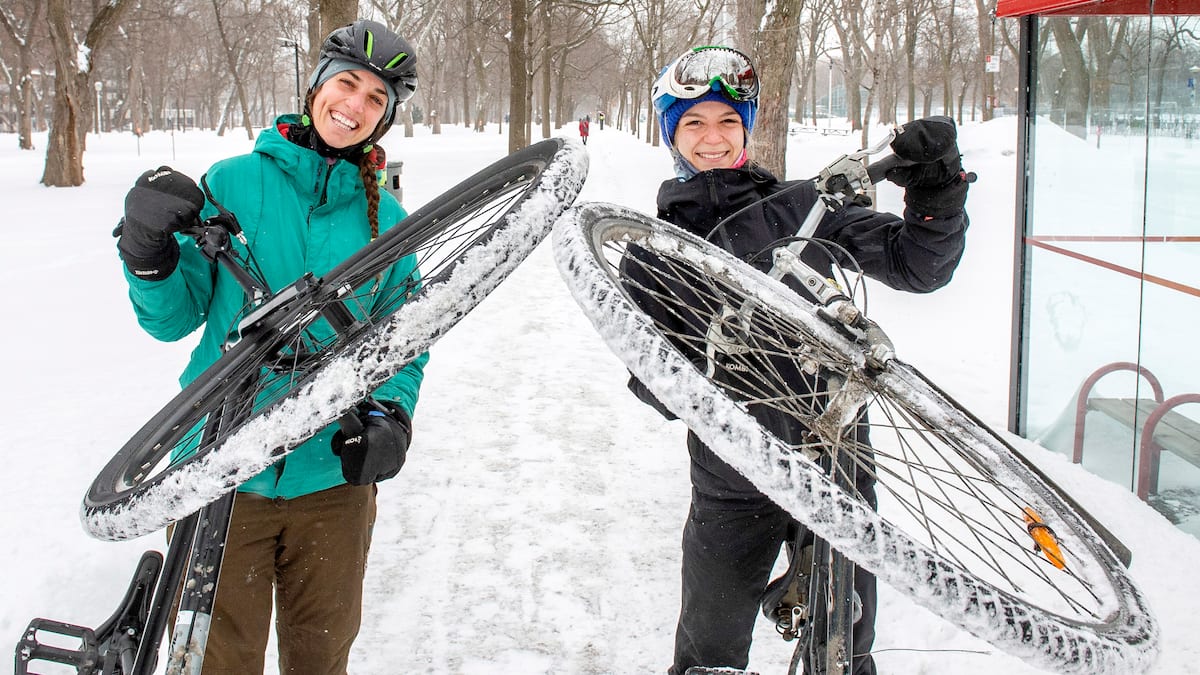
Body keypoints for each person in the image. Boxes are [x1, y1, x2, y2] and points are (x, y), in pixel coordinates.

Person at [630, 46, 971, 675]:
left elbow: (917, 266)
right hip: (732, 476)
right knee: (709, 653)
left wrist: (938, 188)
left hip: (838, 461)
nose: (712, 137)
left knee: (844, 653)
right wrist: (706, 333)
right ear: (671, 133)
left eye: (728, 121)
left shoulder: (803, 207)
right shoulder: (652, 249)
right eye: (693, 123)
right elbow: (652, 387)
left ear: (748, 127)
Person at [114, 19, 424, 674]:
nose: (356, 106)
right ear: (315, 85)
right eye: (347, 84)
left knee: (320, 654)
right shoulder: (232, 183)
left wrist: (393, 411)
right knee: (217, 661)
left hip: (330, 477)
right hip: (219, 463)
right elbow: (173, 319)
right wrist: (147, 254)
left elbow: (404, 335)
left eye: (377, 99)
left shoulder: (391, 225)